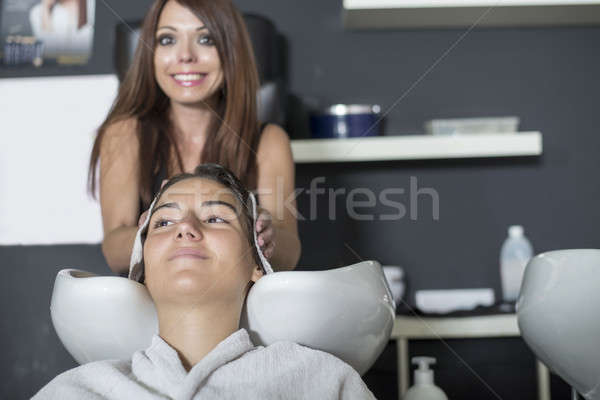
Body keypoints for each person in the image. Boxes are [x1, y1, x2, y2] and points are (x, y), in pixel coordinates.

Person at [32, 164, 376, 400]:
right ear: (144, 269)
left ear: (256, 264)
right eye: (164, 222)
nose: (185, 228)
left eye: (215, 217)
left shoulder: (324, 383)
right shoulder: (78, 391)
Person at [87, 0, 300, 276]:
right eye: (167, 39)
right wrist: (165, 230)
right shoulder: (125, 134)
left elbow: (290, 249)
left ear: (230, 51)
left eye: (205, 38)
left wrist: (265, 238)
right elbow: (114, 246)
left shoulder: (269, 140)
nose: (185, 55)